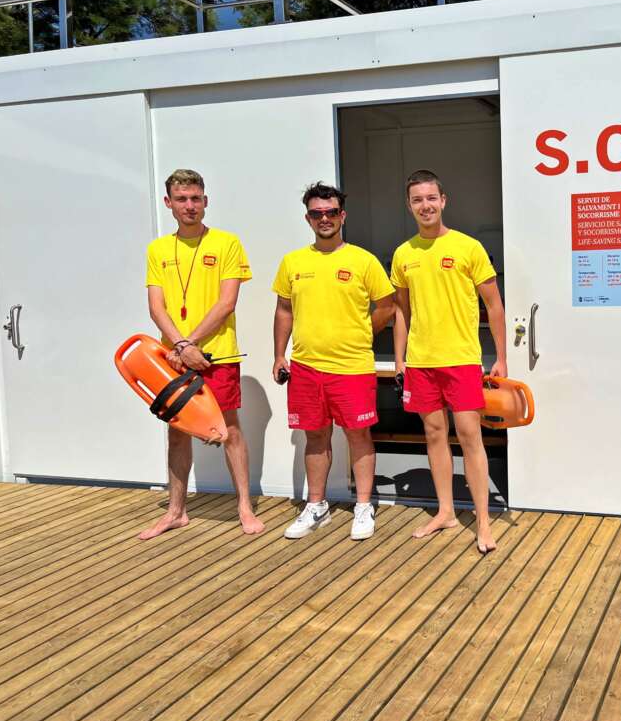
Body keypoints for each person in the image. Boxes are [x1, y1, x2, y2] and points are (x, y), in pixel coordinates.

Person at [142, 169, 263, 539]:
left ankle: (244, 507)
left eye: (195, 198)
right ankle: (176, 511)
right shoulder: (158, 249)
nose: (189, 205)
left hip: (217, 355)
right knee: (178, 433)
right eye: (181, 199)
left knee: (228, 429)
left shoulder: (227, 243)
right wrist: (181, 347)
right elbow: (156, 308)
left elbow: (226, 303)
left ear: (206, 201)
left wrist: (190, 343)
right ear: (169, 203)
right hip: (173, 359)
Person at [392, 169, 507, 554]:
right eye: (417, 200)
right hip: (421, 362)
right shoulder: (403, 254)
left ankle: (483, 522)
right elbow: (402, 311)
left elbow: (494, 305)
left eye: (431, 198)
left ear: (443, 200)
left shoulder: (468, 247)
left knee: (471, 436)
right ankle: (445, 512)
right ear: (409, 206)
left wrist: (501, 357)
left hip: (461, 360)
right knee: (434, 435)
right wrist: (400, 359)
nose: (425, 206)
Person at [273, 182, 396, 540]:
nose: (324, 219)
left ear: (342, 215)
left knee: (358, 435)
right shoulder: (293, 262)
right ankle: (317, 506)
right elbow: (284, 310)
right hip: (306, 366)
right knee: (315, 436)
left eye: (330, 212)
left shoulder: (363, 260)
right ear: (308, 218)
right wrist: (279, 354)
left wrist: (362, 333)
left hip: (352, 366)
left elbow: (387, 306)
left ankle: (363, 506)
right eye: (317, 213)